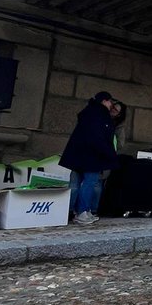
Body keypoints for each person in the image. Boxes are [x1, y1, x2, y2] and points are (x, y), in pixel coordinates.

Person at [59, 90, 117, 224]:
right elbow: (99, 137)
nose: (111, 105)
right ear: (104, 101)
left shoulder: (88, 113)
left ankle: (70, 211)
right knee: (90, 183)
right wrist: (108, 153)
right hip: (92, 156)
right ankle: (82, 211)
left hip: (78, 155)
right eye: (110, 102)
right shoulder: (100, 115)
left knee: (75, 184)